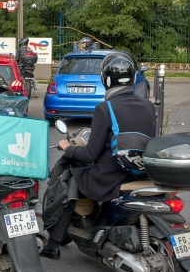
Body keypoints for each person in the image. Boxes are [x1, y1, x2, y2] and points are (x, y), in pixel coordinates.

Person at [41, 52, 156, 260]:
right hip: (140, 172)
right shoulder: (148, 106)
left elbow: (89, 153)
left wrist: (68, 148)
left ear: (106, 80)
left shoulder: (106, 108)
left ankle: (53, 245)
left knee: (74, 176)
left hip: (112, 174)